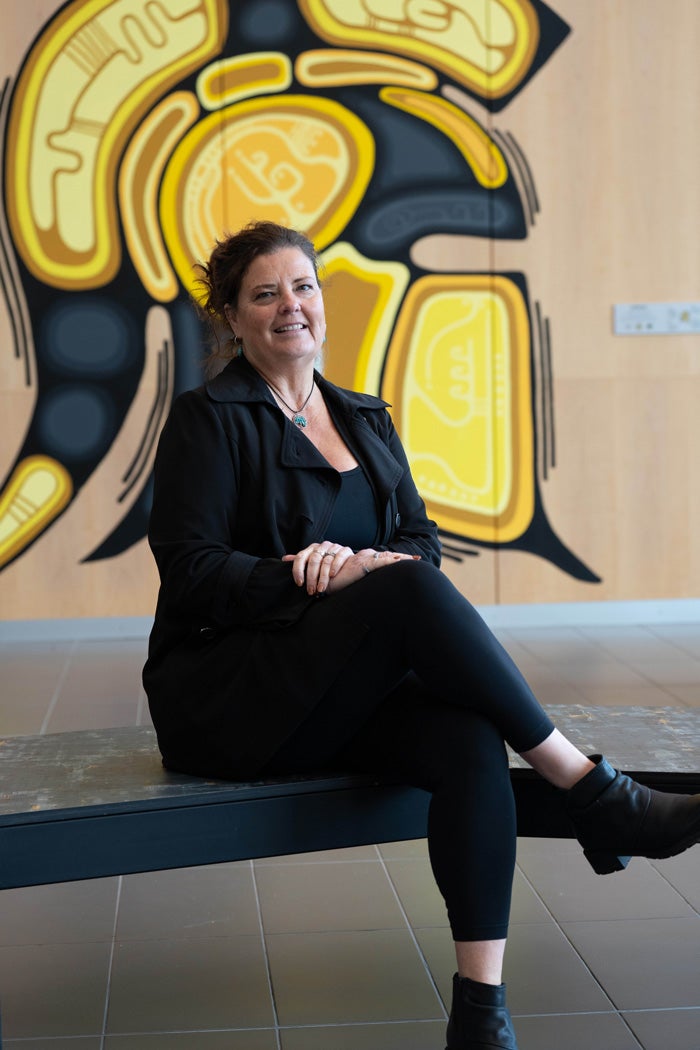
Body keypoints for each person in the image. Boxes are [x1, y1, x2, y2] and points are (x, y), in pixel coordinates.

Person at [143, 220, 700, 1050]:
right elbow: (190, 569)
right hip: (232, 696)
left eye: (303, 286)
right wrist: (309, 570)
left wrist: (369, 562)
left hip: (332, 690)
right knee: (401, 586)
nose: (289, 306)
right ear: (232, 316)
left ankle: (481, 1010)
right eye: (264, 294)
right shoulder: (207, 418)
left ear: (323, 300)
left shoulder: (364, 417)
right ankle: (593, 792)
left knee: (468, 736)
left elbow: (419, 541)